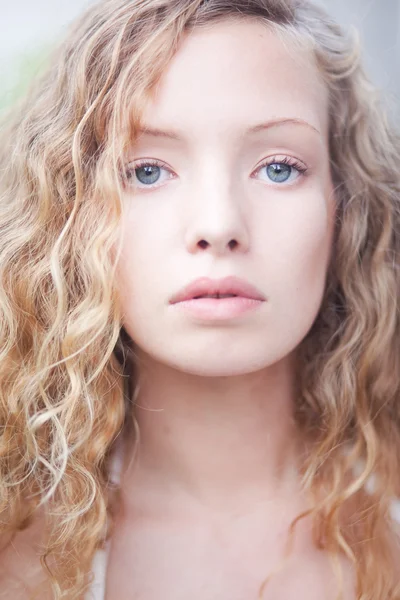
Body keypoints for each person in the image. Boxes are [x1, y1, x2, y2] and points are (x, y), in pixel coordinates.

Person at [0, 0, 399, 598]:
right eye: (146, 171)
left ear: (347, 210)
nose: (217, 224)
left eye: (280, 168)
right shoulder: (16, 553)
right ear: (70, 217)